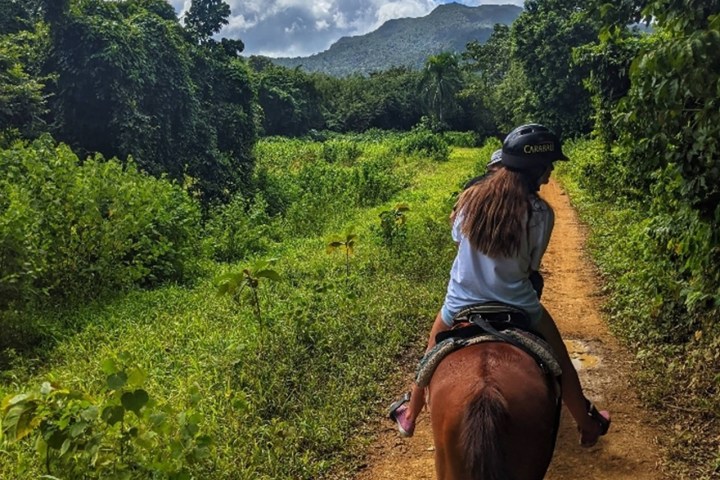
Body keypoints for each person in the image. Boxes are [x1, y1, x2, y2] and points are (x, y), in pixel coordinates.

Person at [388, 123, 611, 447]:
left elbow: (457, 241)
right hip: (519, 305)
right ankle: (587, 425)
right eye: (547, 167)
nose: (549, 174)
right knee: (560, 359)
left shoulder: (469, 199)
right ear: (533, 170)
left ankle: (410, 414)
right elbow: (532, 267)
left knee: (431, 351)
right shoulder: (540, 213)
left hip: (460, 303)